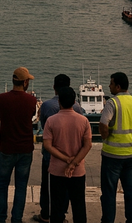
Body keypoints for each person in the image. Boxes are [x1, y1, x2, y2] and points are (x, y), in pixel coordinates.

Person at [33, 74, 85, 223]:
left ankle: (45, 214)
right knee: (69, 189)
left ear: (54, 87)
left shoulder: (47, 106)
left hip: (52, 156)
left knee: (48, 186)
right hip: (73, 155)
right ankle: (62, 213)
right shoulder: (78, 108)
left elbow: (44, 126)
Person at [0, 67, 39, 223]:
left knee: (2, 184)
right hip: (25, 148)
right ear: (25, 82)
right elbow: (31, 115)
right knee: (21, 186)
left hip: (6, 147)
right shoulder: (31, 100)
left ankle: (0, 217)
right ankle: (16, 218)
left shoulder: (1, 98)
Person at [42, 86, 92, 223]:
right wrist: (73, 162)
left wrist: (66, 159)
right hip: (78, 170)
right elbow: (87, 145)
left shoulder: (51, 121)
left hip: (57, 170)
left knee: (57, 208)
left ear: (59, 102)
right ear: (75, 102)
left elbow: (47, 145)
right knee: (79, 206)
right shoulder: (83, 121)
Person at [99, 71, 132, 223]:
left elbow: (104, 123)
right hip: (131, 153)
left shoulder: (112, 102)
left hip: (112, 154)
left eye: (111, 83)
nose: (109, 86)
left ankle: (108, 220)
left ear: (118, 86)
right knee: (130, 191)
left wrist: (105, 136)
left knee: (109, 192)